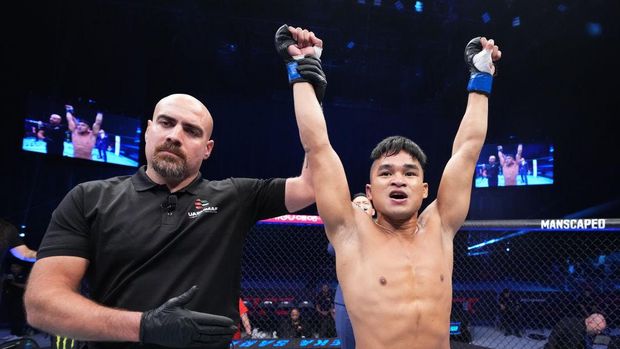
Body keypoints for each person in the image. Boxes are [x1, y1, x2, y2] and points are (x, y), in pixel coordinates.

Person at [24, 93, 315, 349]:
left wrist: (306, 84)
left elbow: (313, 186)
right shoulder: (89, 198)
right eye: (166, 123)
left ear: (208, 149)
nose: (175, 136)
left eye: (191, 130)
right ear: (149, 130)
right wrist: (144, 326)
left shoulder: (234, 196)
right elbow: (42, 305)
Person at [275, 24, 500, 348]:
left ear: (424, 189)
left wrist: (481, 78)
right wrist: (301, 71)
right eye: (386, 173)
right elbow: (318, 147)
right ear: (369, 192)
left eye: (410, 173)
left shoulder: (440, 227)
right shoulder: (351, 233)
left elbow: (468, 152)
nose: (398, 178)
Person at [328, 193, 375, 349]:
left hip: (378, 299)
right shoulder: (343, 232)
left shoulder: (385, 231)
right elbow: (332, 249)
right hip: (346, 299)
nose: (361, 205)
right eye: (357, 204)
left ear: (373, 211)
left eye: (365, 203)